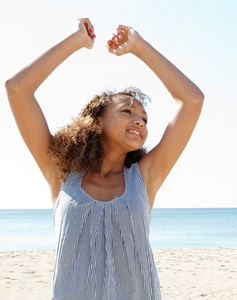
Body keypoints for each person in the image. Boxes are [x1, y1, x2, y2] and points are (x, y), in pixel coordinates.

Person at [5, 18, 204, 299]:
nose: (140, 122)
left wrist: (139, 46)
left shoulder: (144, 177)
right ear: (97, 122)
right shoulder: (61, 173)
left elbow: (192, 100)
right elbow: (17, 89)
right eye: (127, 112)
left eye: (144, 119)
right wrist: (77, 41)